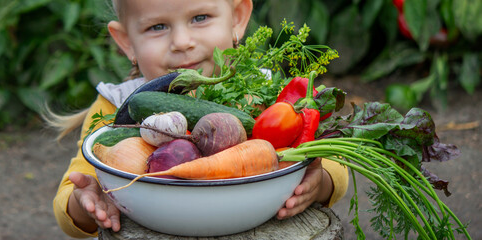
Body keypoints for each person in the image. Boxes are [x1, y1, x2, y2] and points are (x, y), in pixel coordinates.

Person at [45, 0, 348, 238]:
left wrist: (318, 182)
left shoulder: (265, 93)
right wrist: (88, 202)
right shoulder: (117, 105)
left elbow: (335, 164)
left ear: (238, 17)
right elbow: (68, 206)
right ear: (127, 42)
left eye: (200, 18)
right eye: (157, 26)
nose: (182, 41)